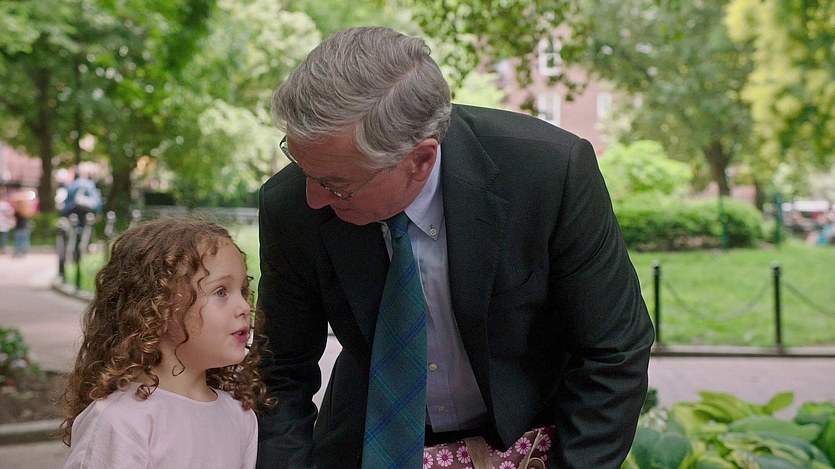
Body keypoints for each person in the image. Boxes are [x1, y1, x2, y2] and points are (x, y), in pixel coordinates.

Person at [256, 26, 655, 469]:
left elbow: (614, 349)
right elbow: (280, 374)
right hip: (368, 445)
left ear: (420, 160)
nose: (314, 198)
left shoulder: (549, 174)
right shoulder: (289, 206)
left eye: (337, 184)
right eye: (304, 168)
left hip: (532, 445)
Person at [60, 217, 272, 469]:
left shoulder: (239, 415)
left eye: (243, 291)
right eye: (221, 292)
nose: (245, 307)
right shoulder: (121, 421)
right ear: (158, 307)